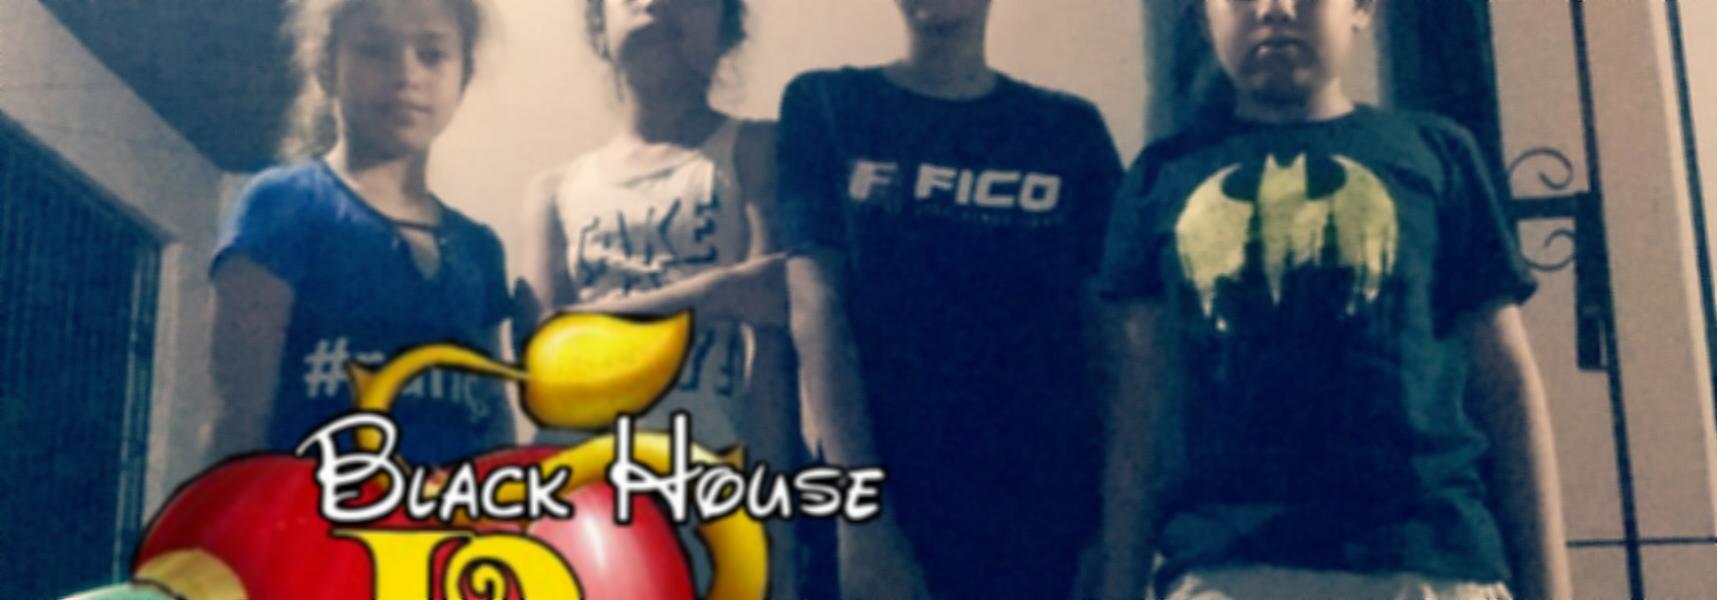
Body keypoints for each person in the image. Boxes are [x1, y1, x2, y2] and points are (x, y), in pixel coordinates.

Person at [1092, 0, 1572, 598]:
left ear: (1362, 8)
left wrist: (1551, 587)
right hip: (1228, 566)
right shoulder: (1162, 176)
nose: (1274, 10)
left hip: (1426, 562)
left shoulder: (1436, 155)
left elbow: (1506, 385)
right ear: (1205, 14)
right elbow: (1137, 411)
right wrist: (1118, 584)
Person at [777, 0, 1123, 597]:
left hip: (1043, 527)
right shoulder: (827, 105)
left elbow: (1110, 347)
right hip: (885, 514)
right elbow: (816, 310)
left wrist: (1110, 537)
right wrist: (863, 523)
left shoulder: (1070, 130)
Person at [512, 0, 797, 593]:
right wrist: (715, 292)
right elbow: (542, 358)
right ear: (600, 26)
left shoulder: (756, 150)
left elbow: (773, 343)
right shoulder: (554, 190)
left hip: (710, 497)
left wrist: (776, 536)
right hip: (581, 507)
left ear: (727, 29)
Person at [208, 0, 515, 466]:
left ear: (463, 77)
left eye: (432, 54)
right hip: (314, 508)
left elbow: (493, 423)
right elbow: (239, 418)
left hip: (450, 512)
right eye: (375, 50)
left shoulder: (480, 250)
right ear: (326, 66)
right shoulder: (282, 205)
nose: (406, 74)